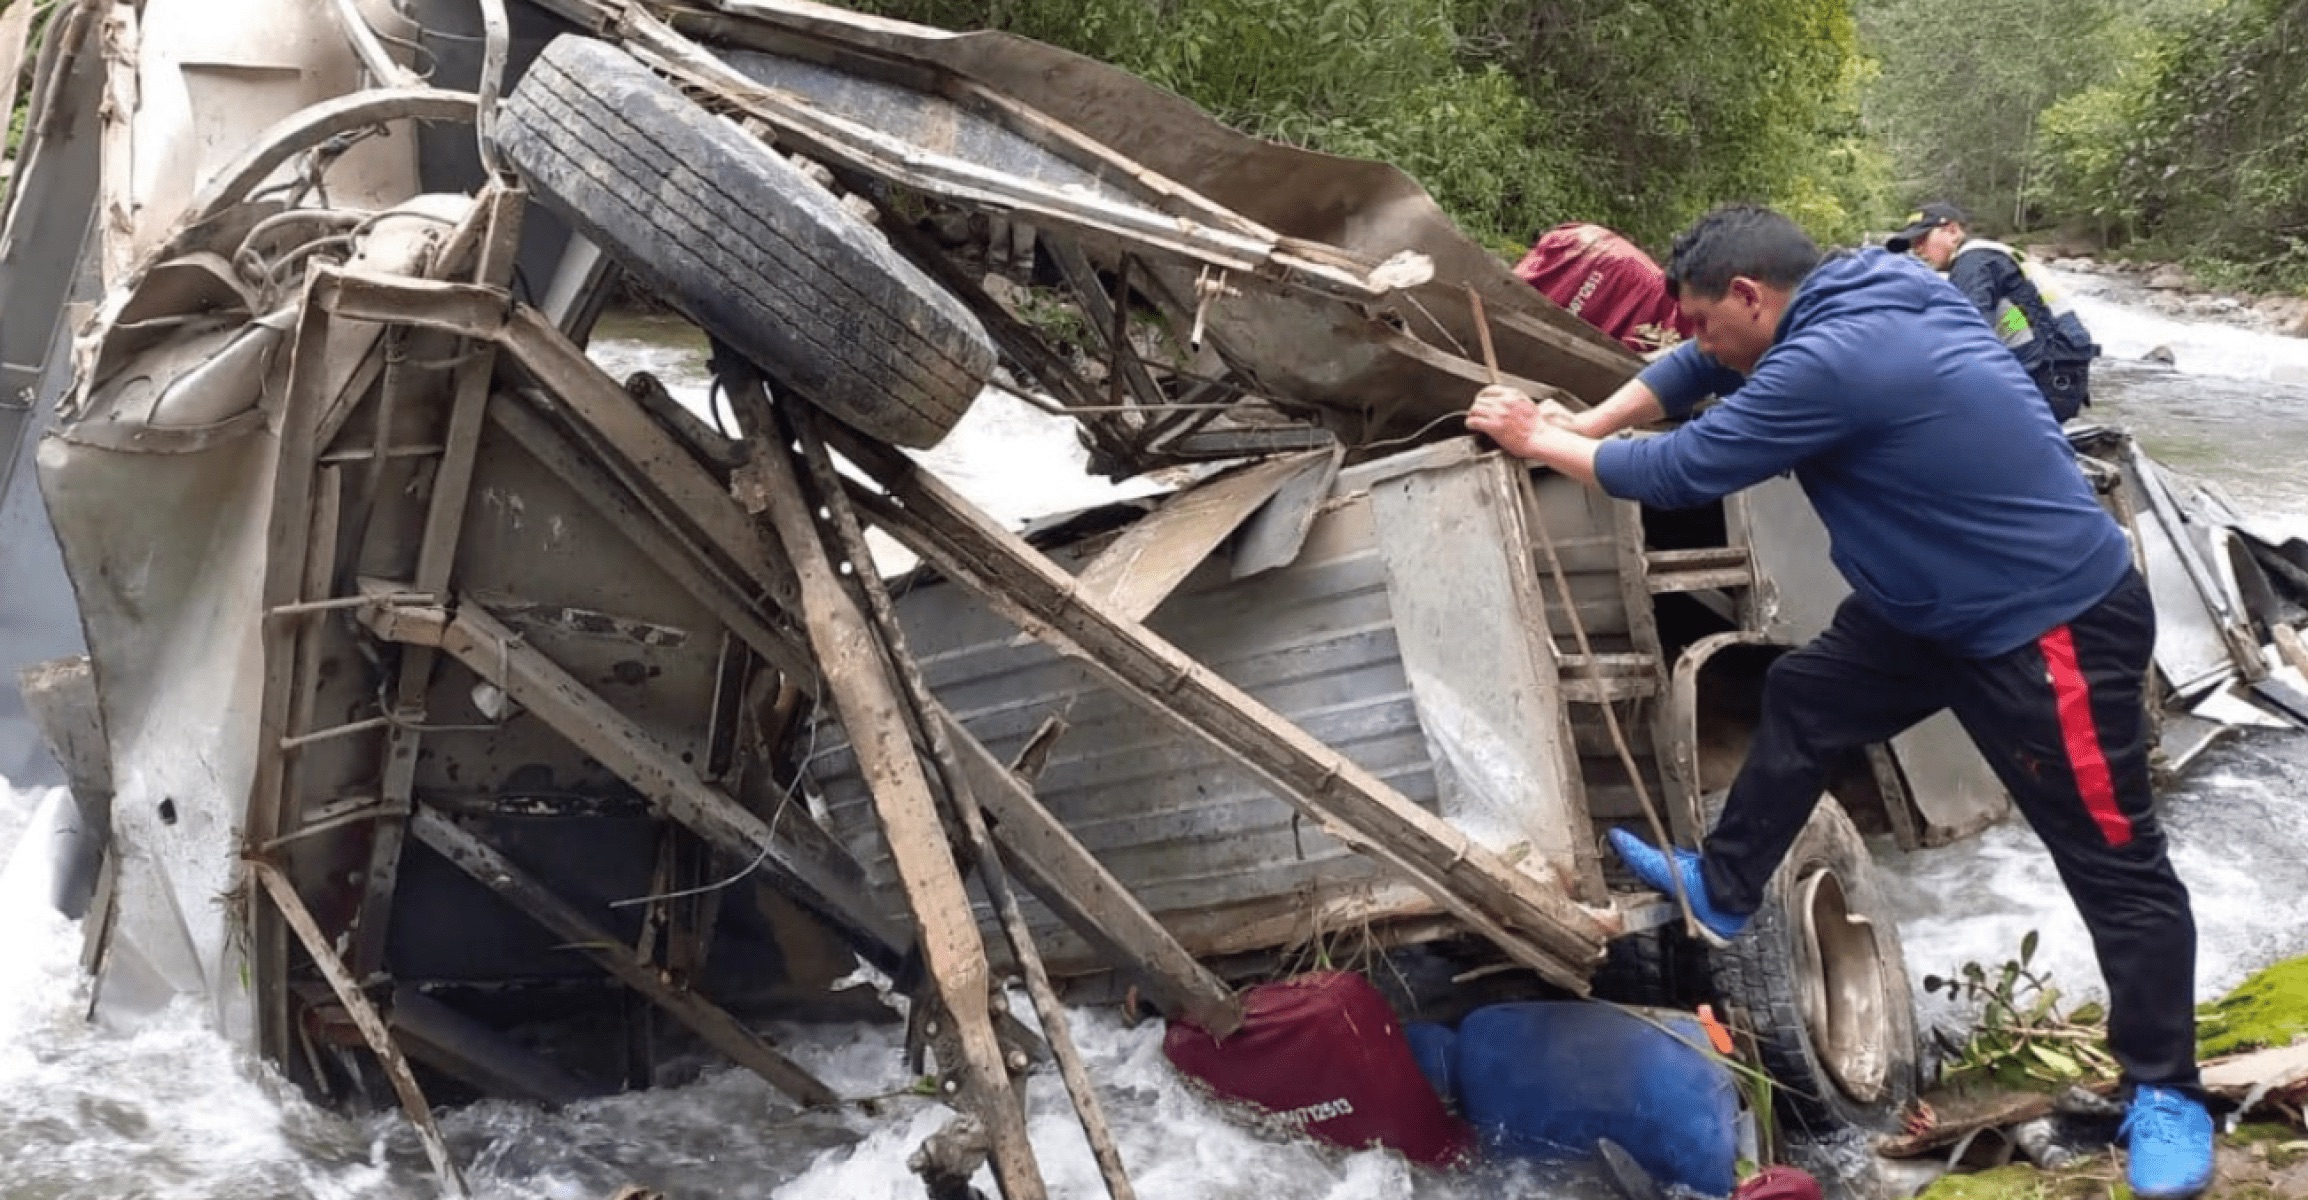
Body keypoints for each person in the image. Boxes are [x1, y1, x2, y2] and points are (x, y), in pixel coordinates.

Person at [1465, 205, 2212, 1199]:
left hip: (2046, 626)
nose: (1688, 343)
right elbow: (1697, 370)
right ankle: (1724, 891)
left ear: (1748, 295)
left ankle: (2168, 1093)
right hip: (1922, 608)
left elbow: (1684, 466)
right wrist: (1584, 423)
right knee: (1808, 697)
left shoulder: (1830, 364)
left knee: (2113, 866)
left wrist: (1534, 437)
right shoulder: (1863, 280)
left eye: (1698, 320)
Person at [1888, 202, 2099, 421]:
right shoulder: (1989, 255)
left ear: (1951, 231)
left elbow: (1969, 337)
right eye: (1913, 245)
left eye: (1922, 239)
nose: (1917, 250)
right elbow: (2015, 318)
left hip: (2045, 373)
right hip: (2060, 370)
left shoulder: (1972, 264)